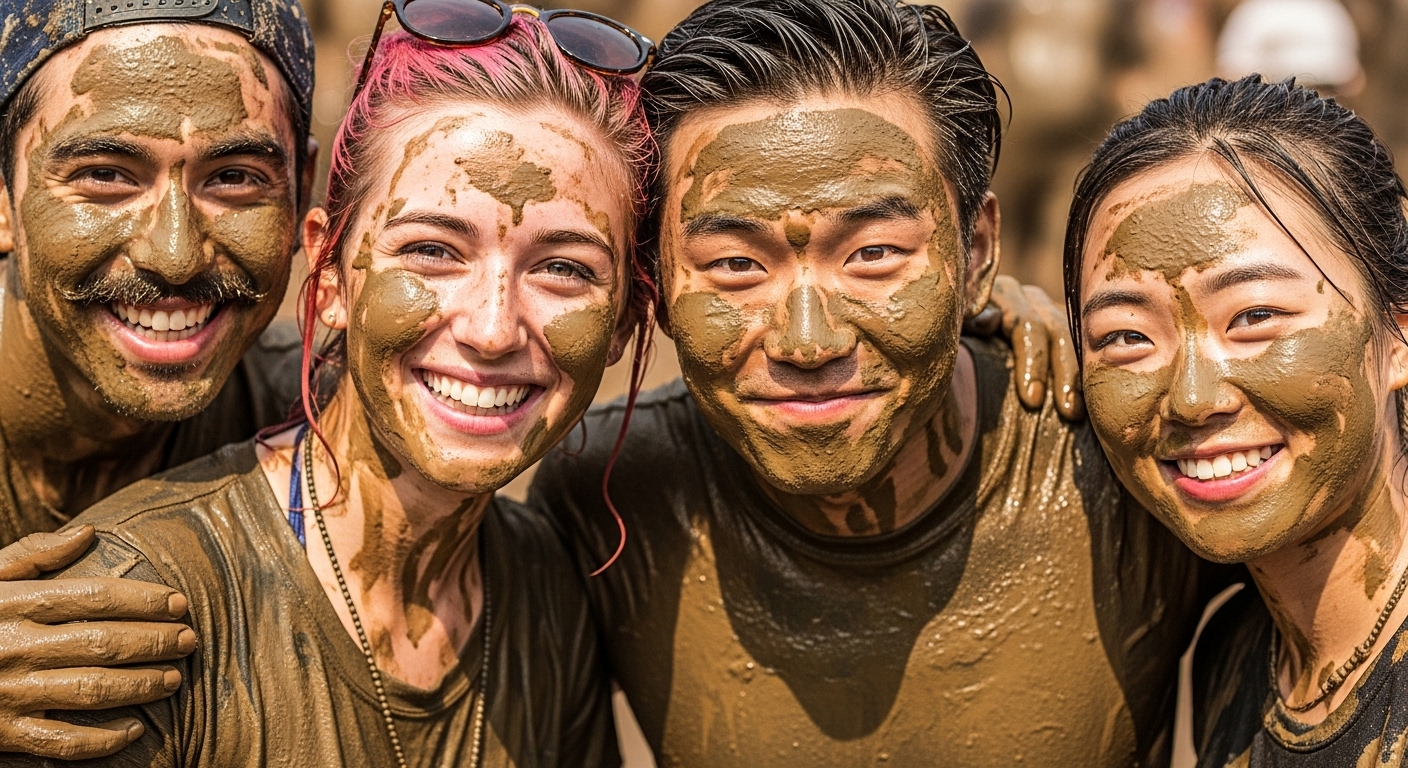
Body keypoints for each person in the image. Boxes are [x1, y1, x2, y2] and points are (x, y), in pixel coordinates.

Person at [528, 0, 1232, 765]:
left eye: (872, 255)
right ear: (657, 283)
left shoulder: (1128, 473)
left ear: (978, 253)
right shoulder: (610, 502)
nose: (806, 341)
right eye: (736, 265)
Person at [5, 9, 665, 766]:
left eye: (565, 268)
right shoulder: (126, 612)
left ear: (626, 319)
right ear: (332, 274)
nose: (492, 330)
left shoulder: (545, 587)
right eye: (430, 249)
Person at [0, 0, 317, 756]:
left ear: (302, 190)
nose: (174, 256)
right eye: (106, 175)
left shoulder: (319, 423)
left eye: (235, 177)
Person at [1068, 74, 1408, 767]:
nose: (1193, 398)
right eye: (1127, 337)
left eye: (1255, 318)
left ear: (1396, 334)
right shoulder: (1224, 657)